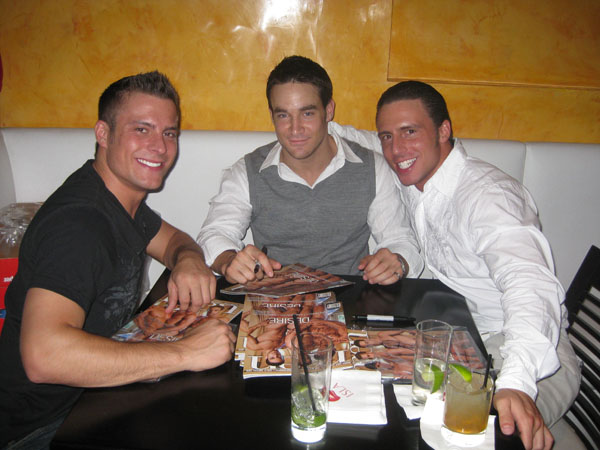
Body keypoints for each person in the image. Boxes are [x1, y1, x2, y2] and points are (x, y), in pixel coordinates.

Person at [0, 71, 236, 449]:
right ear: (103, 134)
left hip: (92, 399)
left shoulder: (120, 201)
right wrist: (185, 353)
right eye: (141, 129)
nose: (159, 146)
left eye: (169, 133)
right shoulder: (79, 225)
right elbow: (43, 356)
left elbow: (174, 240)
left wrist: (189, 259)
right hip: (39, 427)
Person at [371, 80, 580, 450]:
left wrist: (516, 381)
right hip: (467, 342)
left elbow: (528, 283)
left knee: (473, 437)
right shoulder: (417, 176)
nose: (395, 149)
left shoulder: (488, 195)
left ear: (443, 130)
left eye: (409, 131)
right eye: (386, 136)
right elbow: (352, 138)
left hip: (526, 350)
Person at [197, 56, 423, 286]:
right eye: (283, 115)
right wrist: (229, 261)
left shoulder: (372, 167)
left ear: (328, 110)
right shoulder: (248, 171)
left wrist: (397, 262)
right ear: (272, 115)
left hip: (352, 297)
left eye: (307, 113)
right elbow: (214, 234)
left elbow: (401, 241)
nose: (295, 129)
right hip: (274, 299)